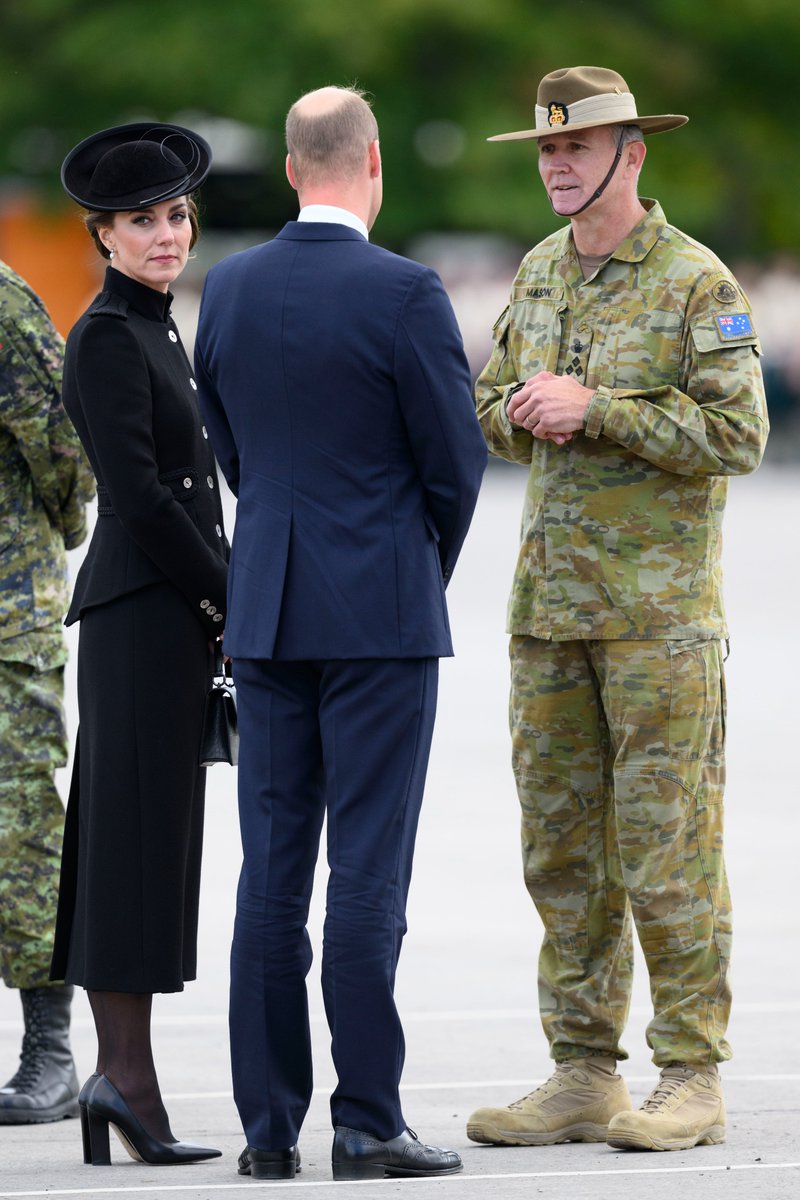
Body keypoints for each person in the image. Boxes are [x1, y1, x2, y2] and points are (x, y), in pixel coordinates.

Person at [466, 66, 768, 1154]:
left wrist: (604, 409)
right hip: (547, 611)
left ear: (628, 154)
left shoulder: (694, 280)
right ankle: (582, 1070)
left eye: (573, 149)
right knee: (559, 850)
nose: (553, 165)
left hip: (655, 622)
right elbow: (489, 410)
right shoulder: (541, 271)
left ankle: (688, 1073)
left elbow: (737, 438)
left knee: (664, 845)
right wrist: (522, 410)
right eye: (543, 151)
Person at [194, 85, 487, 1182]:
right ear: (370, 166)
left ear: (287, 168)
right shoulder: (404, 292)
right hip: (377, 612)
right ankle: (365, 1119)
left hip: (266, 610)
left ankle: (267, 1130)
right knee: (366, 869)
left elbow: (229, 445)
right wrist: (411, 568)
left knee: (269, 873)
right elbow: (452, 464)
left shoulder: (223, 287)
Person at [49, 123, 229, 1166]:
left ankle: (128, 1081)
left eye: (174, 215)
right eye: (142, 221)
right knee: (125, 848)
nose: (166, 234)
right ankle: (122, 1080)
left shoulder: (157, 326)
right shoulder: (110, 335)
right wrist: (234, 597)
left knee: (152, 849)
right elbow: (143, 500)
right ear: (102, 234)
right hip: (137, 615)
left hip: (169, 616)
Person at [0, 262, 94, 1124]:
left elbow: (66, 448)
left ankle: (49, 1051)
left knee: (19, 829)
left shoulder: (1, 302)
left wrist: (47, 537)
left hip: (3, 616)